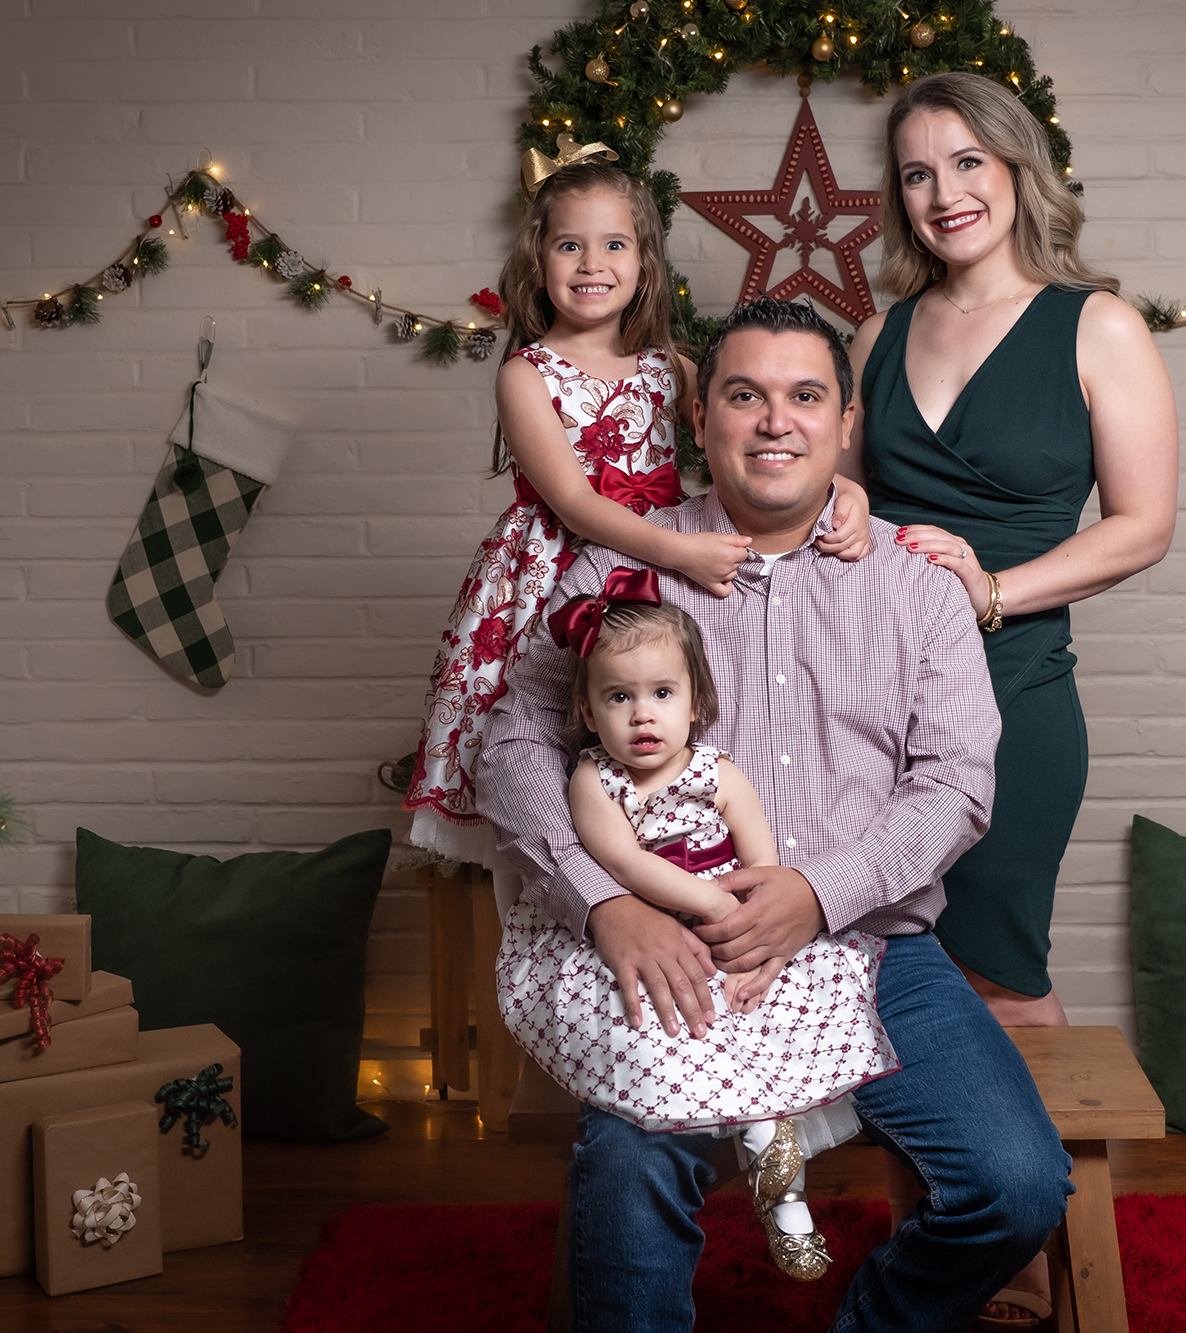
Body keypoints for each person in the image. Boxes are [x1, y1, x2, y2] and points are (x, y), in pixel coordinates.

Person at [478, 297, 1072, 1332]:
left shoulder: (916, 583)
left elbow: (954, 784)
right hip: (678, 946)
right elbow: (512, 746)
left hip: (874, 947)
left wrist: (815, 890)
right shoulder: (622, 566)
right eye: (744, 396)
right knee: (625, 1174)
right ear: (702, 417)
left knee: (1016, 1184)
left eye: (804, 397)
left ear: (845, 422)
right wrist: (601, 905)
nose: (773, 422)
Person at [844, 71, 1180, 1326]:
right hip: (872, 710)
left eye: (966, 163)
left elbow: (1143, 526)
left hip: (1015, 693)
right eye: (919, 172)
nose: (944, 193)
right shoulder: (879, 335)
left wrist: (996, 590)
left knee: (996, 968)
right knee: (889, 976)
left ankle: (1030, 1259)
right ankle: (938, 1260)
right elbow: (838, 512)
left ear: (1015, 168)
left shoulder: (1096, 326)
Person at [403, 161, 870, 867]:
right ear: (537, 260)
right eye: (569, 246)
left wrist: (850, 492)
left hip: (651, 564)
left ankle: (666, 865)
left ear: (645, 262)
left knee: (642, 727)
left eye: (615, 245)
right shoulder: (527, 373)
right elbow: (576, 503)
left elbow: (745, 427)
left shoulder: (668, 365)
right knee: (545, 744)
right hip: (556, 565)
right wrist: (678, 552)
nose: (593, 264)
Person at [498, 573, 897, 1281]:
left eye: (661, 693)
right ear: (588, 712)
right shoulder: (596, 780)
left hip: (731, 916)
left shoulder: (718, 769)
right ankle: (764, 1140)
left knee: (767, 1021)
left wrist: (759, 918)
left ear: (696, 703)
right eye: (618, 697)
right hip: (652, 925)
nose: (641, 714)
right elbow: (623, 861)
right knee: (670, 1025)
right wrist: (712, 906)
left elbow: (761, 852)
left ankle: (785, 1193)